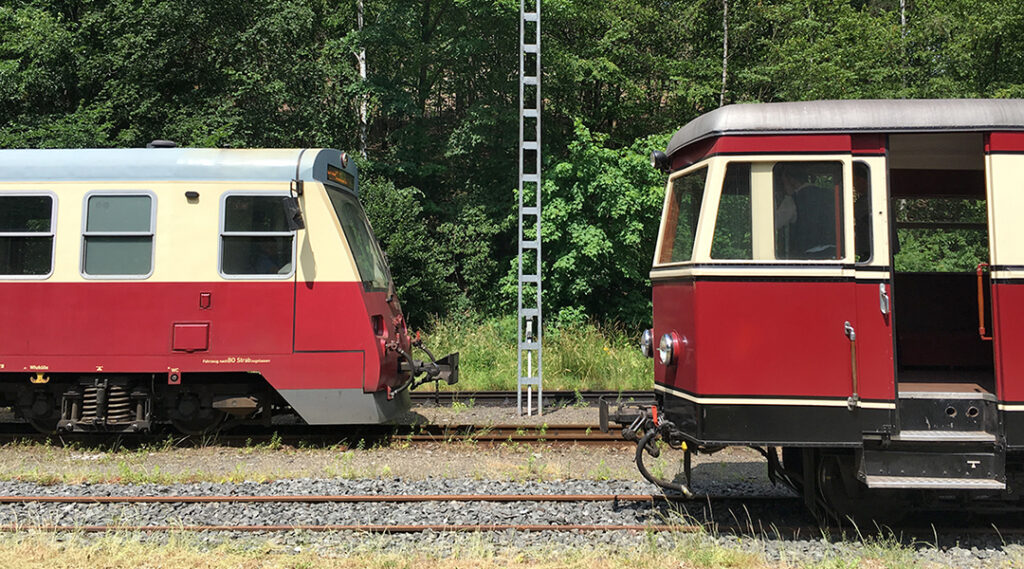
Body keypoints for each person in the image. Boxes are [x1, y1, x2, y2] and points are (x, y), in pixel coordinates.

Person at [774, 163, 839, 259]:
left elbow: (775, 223)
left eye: (784, 182)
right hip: (834, 254)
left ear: (791, 180)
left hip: (809, 257)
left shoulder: (792, 200)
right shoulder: (831, 195)